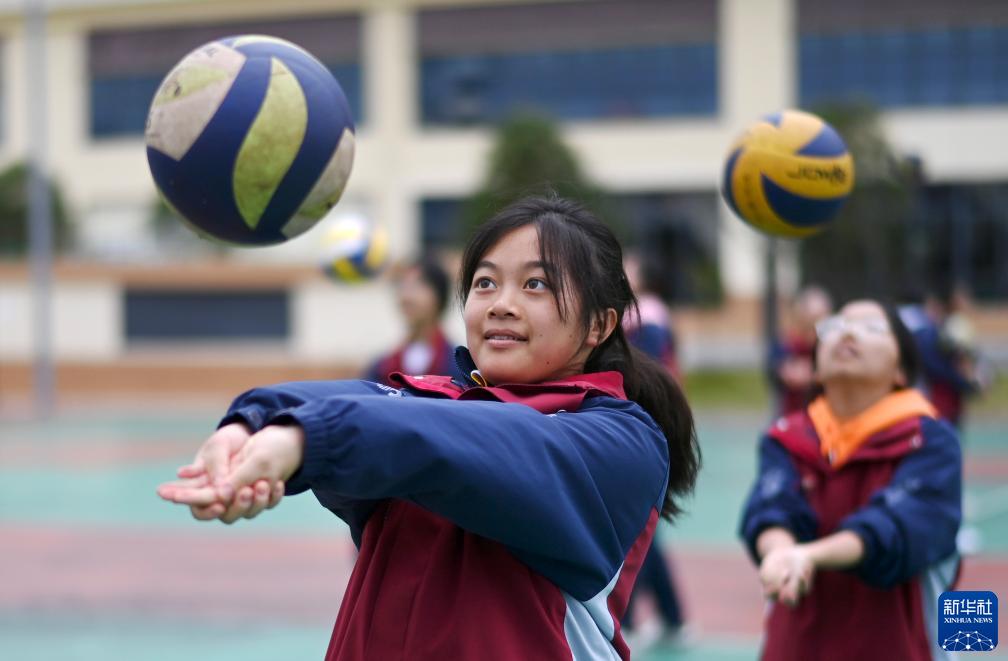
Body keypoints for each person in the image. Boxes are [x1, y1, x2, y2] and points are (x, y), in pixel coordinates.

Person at [158, 195, 701, 661]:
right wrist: (248, 426)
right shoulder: (432, 400)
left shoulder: (621, 441)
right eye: (485, 283)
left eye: (535, 284)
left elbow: (477, 444)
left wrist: (305, 438)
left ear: (599, 324)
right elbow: (352, 403)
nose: (501, 304)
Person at [739, 299, 962, 661]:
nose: (848, 333)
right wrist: (780, 554)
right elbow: (772, 508)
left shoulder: (932, 441)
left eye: (872, 327)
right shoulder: (787, 437)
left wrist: (807, 556)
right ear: (816, 369)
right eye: (835, 326)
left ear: (901, 370)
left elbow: (894, 528)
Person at [620, 253, 687, 650]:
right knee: (646, 527)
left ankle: (626, 619)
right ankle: (674, 617)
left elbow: (643, 376)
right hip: (648, 429)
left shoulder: (648, 319)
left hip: (648, 430)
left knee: (637, 528)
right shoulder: (642, 317)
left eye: (628, 266)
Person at [364, 258, 455, 386]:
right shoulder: (382, 368)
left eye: (417, 287)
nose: (406, 296)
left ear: (439, 297)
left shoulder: (457, 367)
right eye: (402, 286)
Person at [769, 285, 833, 416]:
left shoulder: (829, 345)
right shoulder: (787, 344)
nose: (815, 325)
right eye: (812, 319)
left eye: (821, 318)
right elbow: (777, 374)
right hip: (791, 413)